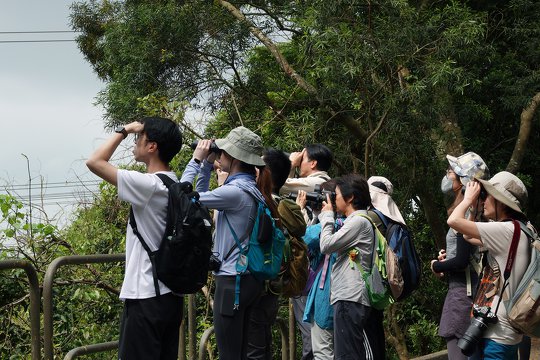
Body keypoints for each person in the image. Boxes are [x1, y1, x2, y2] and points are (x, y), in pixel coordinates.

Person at [86, 117, 184, 360]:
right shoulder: (176, 182)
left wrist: (124, 129)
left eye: (139, 137)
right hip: (171, 296)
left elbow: (95, 162)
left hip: (146, 295)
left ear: (152, 147)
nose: (135, 141)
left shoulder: (149, 185)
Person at [181, 126, 278, 360]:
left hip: (232, 281)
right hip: (248, 280)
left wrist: (197, 161)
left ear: (233, 158)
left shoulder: (234, 192)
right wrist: (207, 166)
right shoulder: (250, 189)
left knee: (229, 355)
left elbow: (182, 198)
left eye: (222, 152)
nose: (219, 156)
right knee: (241, 352)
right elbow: (201, 204)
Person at [447, 171, 531, 359]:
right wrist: (474, 210)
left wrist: (468, 199)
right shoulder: (523, 228)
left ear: (501, 201)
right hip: (507, 332)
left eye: (487, 196)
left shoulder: (505, 230)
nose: (483, 200)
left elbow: (453, 221)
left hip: (496, 334)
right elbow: (468, 236)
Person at [430, 152, 489, 360]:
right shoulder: (476, 211)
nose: (447, 175)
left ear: (463, 180)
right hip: (472, 291)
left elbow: (462, 260)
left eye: (451, 171)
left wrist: (437, 266)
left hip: (462, 295)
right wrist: (447, 258)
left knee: (457, 347)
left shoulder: (464, 214)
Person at [279, 143, 333, 360]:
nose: (299, 162)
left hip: (311, 274)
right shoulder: (320, 185)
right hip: (314, 273)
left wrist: (289, 164)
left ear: (313, 163)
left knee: (312, 333)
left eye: (302, 159)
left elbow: (279, 184)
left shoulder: (316, 183)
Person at [246, 148, 295, 360]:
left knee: (254, 348)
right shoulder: (283, 205)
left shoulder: (259, 202)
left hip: (255, 283)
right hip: (273, 284)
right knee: (263, 344)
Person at [319, 174, 374, 360]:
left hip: (350, 297)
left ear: (350, 197)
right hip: (348, 296)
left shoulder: (358, 221)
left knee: (348, 354)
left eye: (336, 195)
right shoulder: (355, 222)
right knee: (347, 352)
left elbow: (326, 245)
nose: (334, 200)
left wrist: (327, 216)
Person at [366, 176, 408, 360]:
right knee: (376, 331)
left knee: (369, 335)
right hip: (384, 285)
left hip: (370, 284)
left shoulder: (372, 217)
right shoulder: (391, 217)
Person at [301, 180, 341, 360]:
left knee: (323, 352)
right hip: (343, 300)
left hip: (326, 297)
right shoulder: (350, 222)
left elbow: (305, 239)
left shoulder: (336, 223)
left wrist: (300, 211)